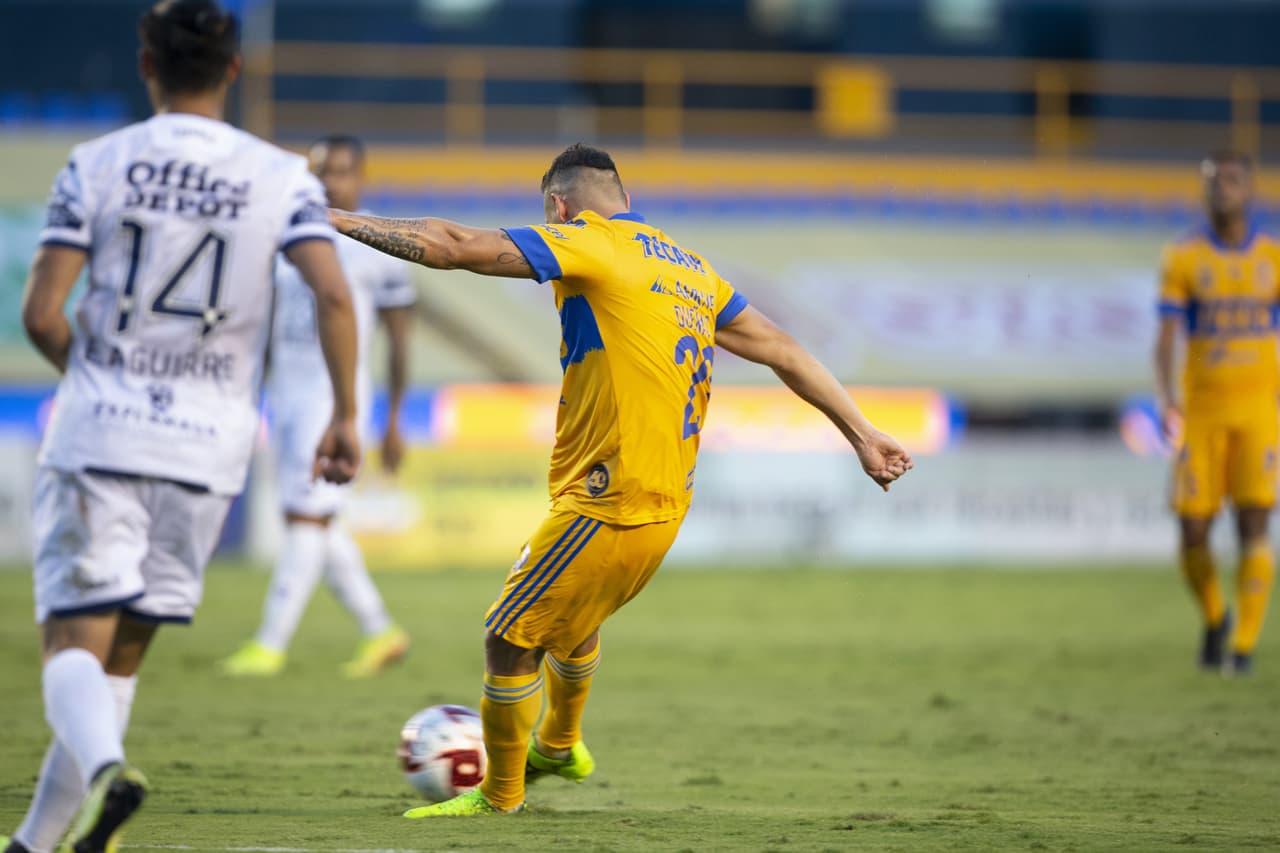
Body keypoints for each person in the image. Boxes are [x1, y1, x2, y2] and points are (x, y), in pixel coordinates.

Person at [329, 143, 913, 816]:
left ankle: (499, 797)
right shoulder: (690, 268)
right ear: (626, 199)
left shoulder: (589, 242)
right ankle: (561, 741)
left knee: (508, 636)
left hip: (613, 497)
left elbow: (454, 244)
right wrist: (863, 434)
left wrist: (341, 222)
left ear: (559, 207)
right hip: (663, 499)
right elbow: (782, 346)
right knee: (573, 619)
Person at [2, 2, 361, 851]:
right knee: (121, 656)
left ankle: (103, 773)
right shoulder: (282, 177)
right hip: (210, 447)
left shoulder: (98, 163)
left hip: (103, 431)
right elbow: (335, 291)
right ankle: (35, 843)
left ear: (144, 63)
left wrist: (96, 376)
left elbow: (43, 313)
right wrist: (346, 413)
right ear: (235, 71)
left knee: (71, 643)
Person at [221, 135, 414, 678]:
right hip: (288, 393)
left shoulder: (378, 242)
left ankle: (270, 643)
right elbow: (267, 322)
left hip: (336, 397)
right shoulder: (289, 230)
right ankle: (381, 630)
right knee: (317, 521)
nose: (332, 182)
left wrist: (393, 420)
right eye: (322, 171)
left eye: (344, 171)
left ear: (362, 177)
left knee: (306, 518)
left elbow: (400, 339)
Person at [1156, 150, 1280, 676]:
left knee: (1254, 525)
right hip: (1202, 411)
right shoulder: (1184, 258)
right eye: (1213, 180)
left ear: (1249, 188)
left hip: (1259, 412)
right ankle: (1215, 616)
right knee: (1192, 531)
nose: (1222, 188)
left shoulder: (1273, 258)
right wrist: (1166, 400)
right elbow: (1165, 340)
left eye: (1231, 179)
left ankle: (1245, 650)